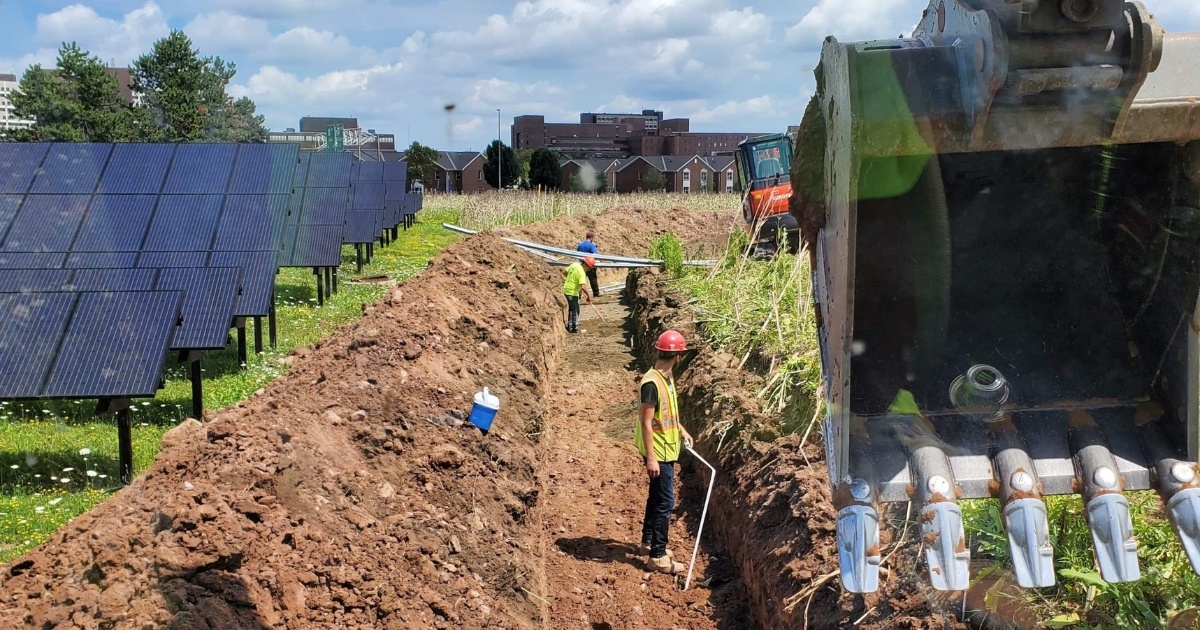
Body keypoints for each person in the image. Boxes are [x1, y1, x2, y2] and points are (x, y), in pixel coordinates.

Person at [636, 330, 694, 574]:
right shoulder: (652, 383)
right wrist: (651, 458)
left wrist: (681, 429)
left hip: (667, 447)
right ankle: (658, 556)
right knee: (666, 501)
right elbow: (646, 422)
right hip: (658, 451)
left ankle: (648, 542)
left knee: (657, 497)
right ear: (678, 356)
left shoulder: (665, 377)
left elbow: (667, 412)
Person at [562, 256, 595, 333]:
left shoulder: (574, 265)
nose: (589, 270)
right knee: (575, 309)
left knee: (572, 308)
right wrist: (588, 296)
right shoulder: (582, 273)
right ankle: (573, 327)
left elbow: (564, 272)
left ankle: (571, 326)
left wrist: (572, 280)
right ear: (586, 265)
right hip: (572, 292)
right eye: (589, 268)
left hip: (567, 289)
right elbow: (583, 286)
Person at [576, 231, 601, 297]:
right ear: (592, 238)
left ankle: (579, 295)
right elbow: (595, 255)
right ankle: (596, 294)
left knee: (581, 281)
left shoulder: (580, 245)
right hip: (590, 265)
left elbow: (577, 254)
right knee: (593, 280)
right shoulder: (591, 245)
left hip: (582, 265)